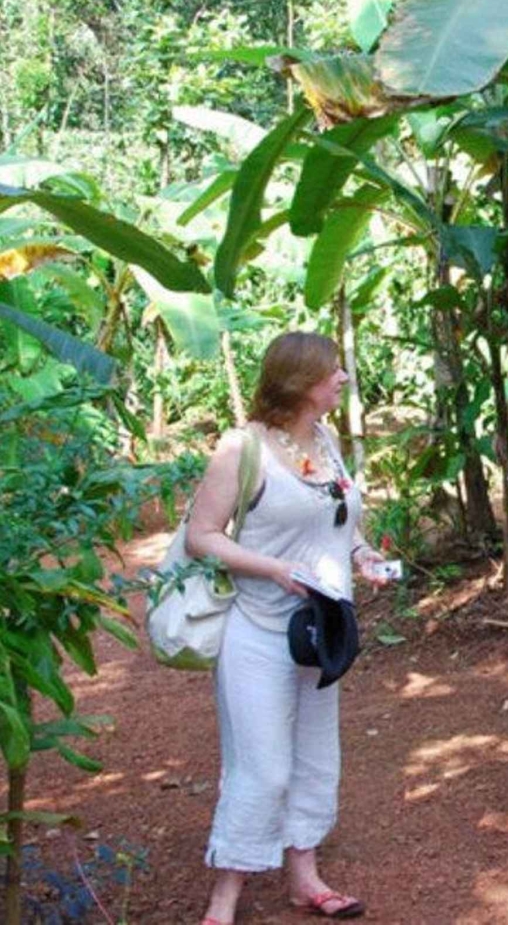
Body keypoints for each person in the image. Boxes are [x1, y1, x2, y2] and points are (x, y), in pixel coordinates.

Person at [187, 332, 391, 924]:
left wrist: (363, 554)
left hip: (321, 631)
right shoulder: (242, 448)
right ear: (300, 382)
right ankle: (224, 898)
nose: (343, 379)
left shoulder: (326, 441)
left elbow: (338, 521)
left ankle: (306, 878)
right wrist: (272, 568)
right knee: (263, 767)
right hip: (258, 629)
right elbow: (202, 535)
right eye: (333, 371)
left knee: (315, 758)